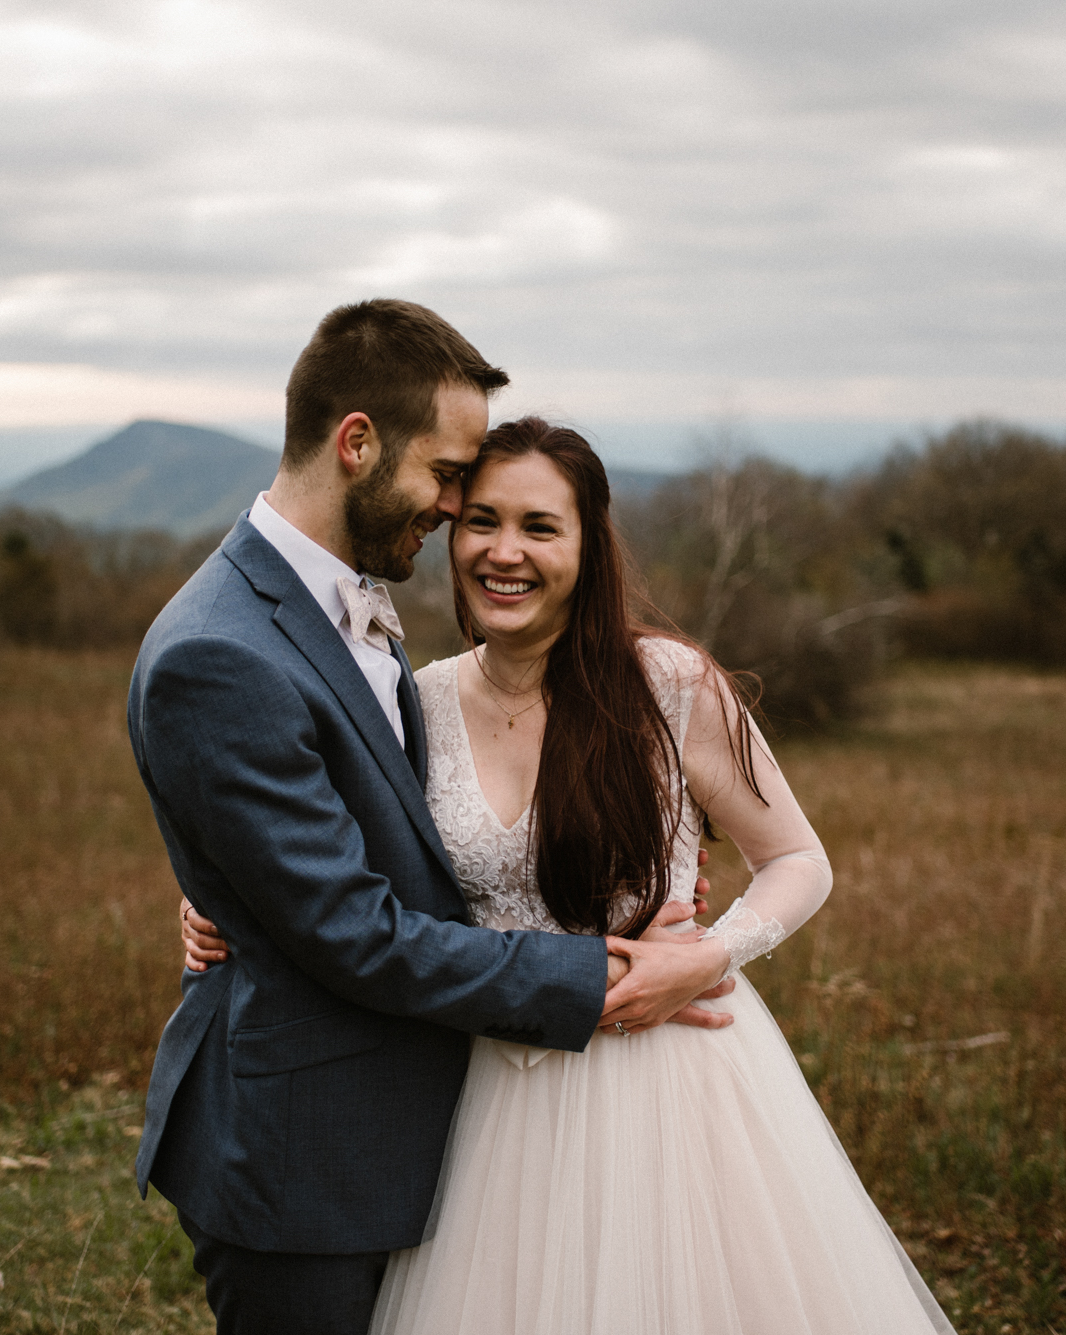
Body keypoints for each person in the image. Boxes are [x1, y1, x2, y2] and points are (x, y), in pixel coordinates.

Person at [184, 417, 956, 1333]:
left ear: (589, 546)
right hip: (484, 1095)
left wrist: (711, 955)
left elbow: (797, 860)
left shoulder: (669, 687)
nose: (504, 552)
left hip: (666, 1083)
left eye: (541, 527)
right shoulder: (412, 697)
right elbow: (325, 859)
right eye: (482, 521)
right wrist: (214, 901)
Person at [126, 300, 733, 1335]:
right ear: (356, 443)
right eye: (447, 476)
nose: (457, 510)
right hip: (303, 1160)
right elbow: (354, 934)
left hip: (425, 1128)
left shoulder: (342, 596)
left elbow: (373, 836)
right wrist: (604, 975)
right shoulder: (218, 650)